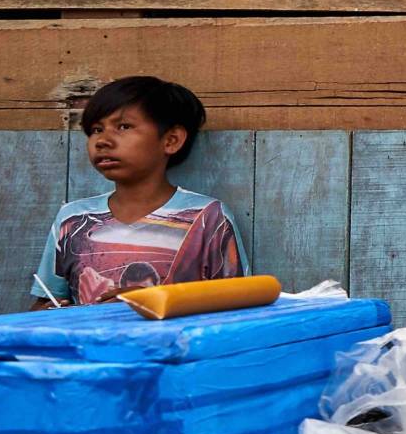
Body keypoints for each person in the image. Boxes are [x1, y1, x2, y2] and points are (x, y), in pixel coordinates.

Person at [32, 76, 248, 309]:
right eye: (96, 129)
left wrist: (158, 302)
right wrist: (52, 314)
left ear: (171, 140)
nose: (102, 140)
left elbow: (239, 307)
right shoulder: (73, 219)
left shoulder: (207, 217)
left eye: (124, 126)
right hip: (91, 345)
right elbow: (45, 303)